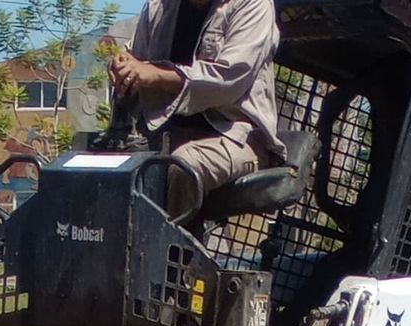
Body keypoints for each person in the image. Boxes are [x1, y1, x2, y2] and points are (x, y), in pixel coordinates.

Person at [106, 0, 281, 208]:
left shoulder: (253, 5)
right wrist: (122, 66)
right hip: (165, 134)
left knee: (184, 165)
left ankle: (170, 230)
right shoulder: (158, 7)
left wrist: (157, 74)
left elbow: (227, 82)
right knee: (104, 164)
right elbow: (135, 58)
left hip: (237, 135)